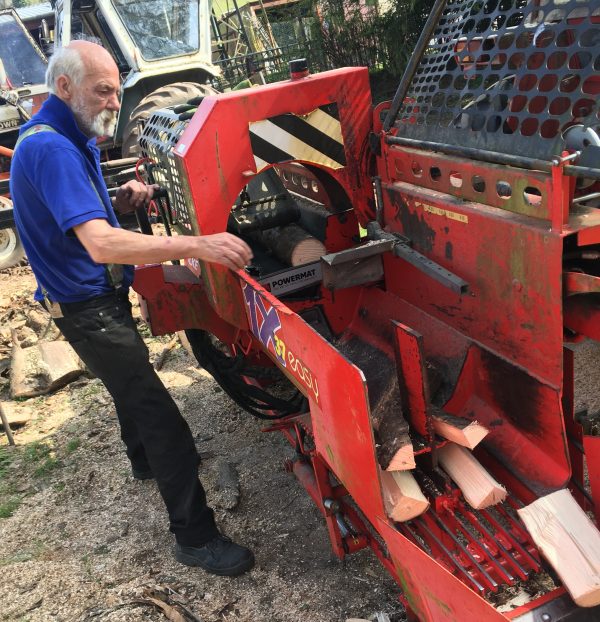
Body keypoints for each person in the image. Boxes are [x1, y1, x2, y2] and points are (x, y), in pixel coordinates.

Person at [9, 40, 255, 577]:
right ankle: (194, 537)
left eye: (116, 93)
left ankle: (142, 462)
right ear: (65, 87)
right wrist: (199, 244)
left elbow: (77, 216)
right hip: (87, 308)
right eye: (102, 92)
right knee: (159, 416)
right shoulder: (50, 148)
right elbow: (100, 245)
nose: (112, 103)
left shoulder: (66, 137)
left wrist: (117, 199)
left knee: (129, 385)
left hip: (89, 302)